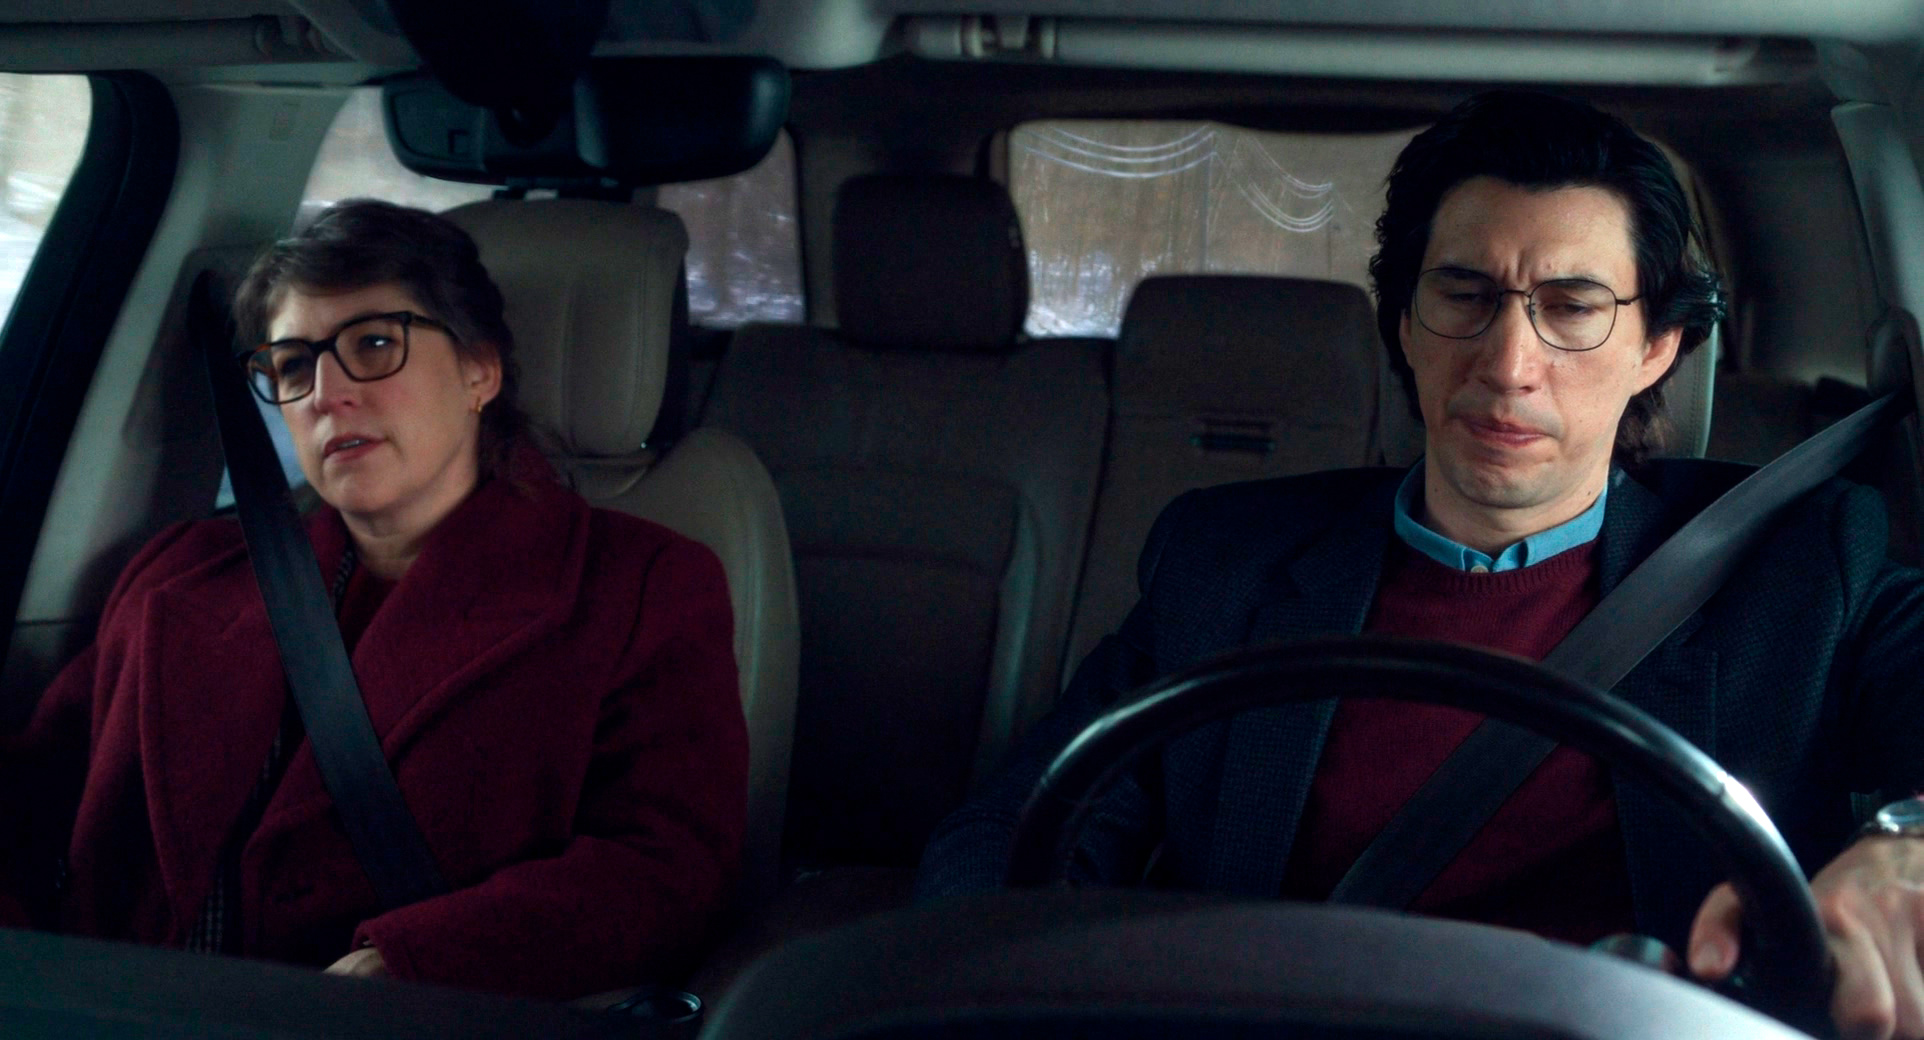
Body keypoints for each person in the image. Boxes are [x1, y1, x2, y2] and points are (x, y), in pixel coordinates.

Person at [917, 91, 1924, 1040]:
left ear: (1658, 344)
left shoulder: (1801, 563)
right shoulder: (1225, 561)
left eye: (1573, 306)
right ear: (1405, 321)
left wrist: (1905, 842)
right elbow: (1022, 820)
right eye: (1464, 294)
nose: (1508, 363)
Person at [0, 200, 750, 1000]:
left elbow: (668, 869)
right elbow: (27, 809)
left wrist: (414, 963)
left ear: (479, 371)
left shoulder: (642, 587)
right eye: (294, 367)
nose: (326, 395)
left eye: (375, 345)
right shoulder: (176, 577)